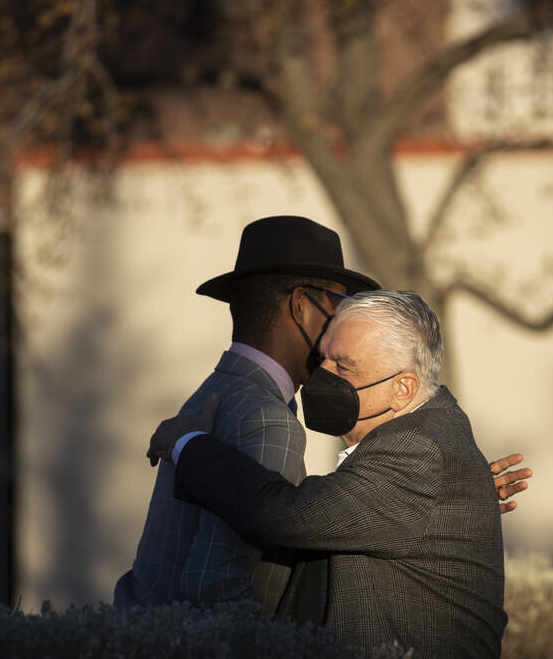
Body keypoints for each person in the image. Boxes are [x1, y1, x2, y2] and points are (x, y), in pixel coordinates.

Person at [115, 216, 530, 613]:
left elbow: (297, 518)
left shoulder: (215, 394)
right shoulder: (265, 415)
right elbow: (226, 578)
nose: (343, 320)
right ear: (301, 306)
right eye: (339, 302)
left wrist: (445, 504)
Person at [149, 290, 507, 659]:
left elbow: (281, 513)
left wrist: (188, 444)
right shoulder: (422, 443)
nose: (322, 375)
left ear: (403, 388)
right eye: (324, 358)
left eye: (344, 366)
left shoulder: (418, 452)